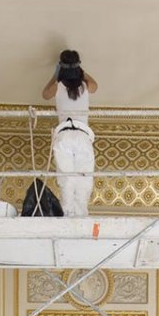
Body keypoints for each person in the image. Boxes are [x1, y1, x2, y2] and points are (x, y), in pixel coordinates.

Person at [42, 50, 98, 216]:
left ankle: (68, 215)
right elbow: (95, 86)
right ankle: (81, 215)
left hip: (64, 135)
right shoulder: (84, 86)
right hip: (82, 135)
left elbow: (45, 94)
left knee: (66, 179)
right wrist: (82, 72)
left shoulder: (58, 87)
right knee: (84, 178)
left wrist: (56, 75)